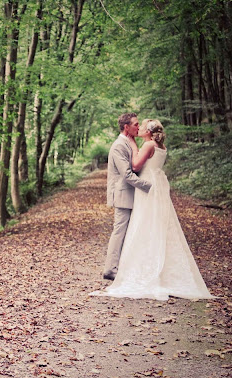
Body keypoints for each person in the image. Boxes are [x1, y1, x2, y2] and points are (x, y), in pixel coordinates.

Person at [92, 119, 215, 300]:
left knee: (143, 226)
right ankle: (125, 267)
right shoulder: (159, 146)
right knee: (150, 225)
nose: (139, 128)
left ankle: (137, 268)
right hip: (152, 187)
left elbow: (134, 166)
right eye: (136, 124)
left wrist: (134, 147)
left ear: (149, 132)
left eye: (141, 126)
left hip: (146, 188)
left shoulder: (148, 144)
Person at [102, 113, 152, 281]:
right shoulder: (118, 146)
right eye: (136, 124)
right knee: (119, 231)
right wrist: (149, 187)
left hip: (131, 194)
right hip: (123, 194)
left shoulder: (129, 143)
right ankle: (110, 269)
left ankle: (122, 266)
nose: (138, 127)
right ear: (126, 127)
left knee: (128, 232)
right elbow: (127, 175)